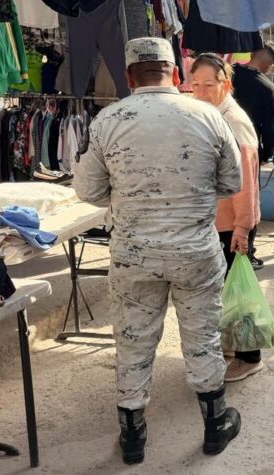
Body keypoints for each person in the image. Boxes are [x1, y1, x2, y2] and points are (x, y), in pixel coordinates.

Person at [74, 38, 243, 465]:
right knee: (203, 338)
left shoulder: (108, 120)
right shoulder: (208, 115)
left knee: (132, 340)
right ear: (176, 73)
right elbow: (232, 183)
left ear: (129, 76)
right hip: (196, 252)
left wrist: (130, 197)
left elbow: (88, 190)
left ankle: (133, 437)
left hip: (134, 255)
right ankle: (215, 426)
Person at [191, 53, 265, 382]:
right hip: (219, 220)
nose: (201, 91)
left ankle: (250, 357)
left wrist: (243, 227)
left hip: (233, 223)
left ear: (227, 84)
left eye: (209, 84)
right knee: (225, 290)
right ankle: (234, 347)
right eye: (195, 84)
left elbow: (246, 179)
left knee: (240, 292)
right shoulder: (212, 115)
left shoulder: (232, 120)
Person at [232, 41, 274, 269]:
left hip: (218, 144)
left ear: (251, 53)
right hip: (248, 149)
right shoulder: (267, 88)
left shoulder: (228, 74)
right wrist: (267, 153)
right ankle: (247, 252)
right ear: (270, 64)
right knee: (248, 201)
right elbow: (270, 127)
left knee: (222, 200)